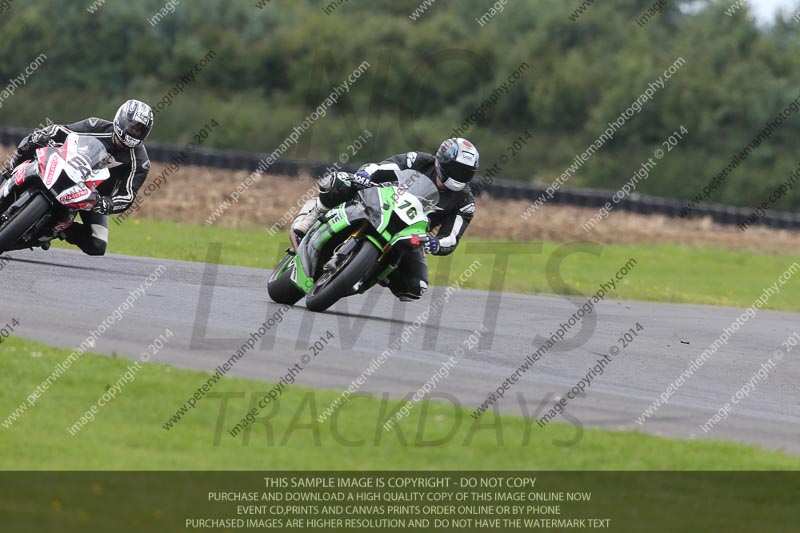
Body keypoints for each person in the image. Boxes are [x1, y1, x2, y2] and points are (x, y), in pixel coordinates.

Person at [291, 137, 479, 301]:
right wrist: (366, 175)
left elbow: (452, 237)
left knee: (415, 286)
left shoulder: (465, 201)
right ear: (442, 162)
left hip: (410, 233)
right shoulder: (419, 161)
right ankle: (313, 213)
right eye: (456, 169)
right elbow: (383, 167)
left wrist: (435, 244)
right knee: (338, 182)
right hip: (380, 203)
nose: (459, 176)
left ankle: (371, 271)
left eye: (465, 172)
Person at [1, 99, 154, 255]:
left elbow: (127, 195)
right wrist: (45, 135)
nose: (135, 133)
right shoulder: (96, 126)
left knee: (98, 244)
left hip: (92, 197)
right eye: (133, 127)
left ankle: (55, 230)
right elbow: (63, 131)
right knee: (32, 143)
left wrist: (107, 204)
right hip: (67, 170)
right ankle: (8, 174)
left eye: (140, 130)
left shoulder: (141, 162)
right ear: (121, 120)